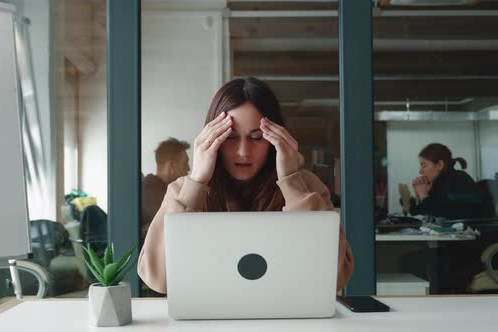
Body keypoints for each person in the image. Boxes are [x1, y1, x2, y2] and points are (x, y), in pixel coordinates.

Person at [138, 77, 354, 294]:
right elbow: (158, 279)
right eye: (231, 138)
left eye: (257, 138)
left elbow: (336, 277)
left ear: (275, 140)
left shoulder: (307, 186)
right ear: (212, 139)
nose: (243, 152)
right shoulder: (182, 190)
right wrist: (197, 182)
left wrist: (291, 182)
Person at [410, 143, 487, 219]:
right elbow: (419, 213)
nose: (420, 171)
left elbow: (442, 215)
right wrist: (419, 195)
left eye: (424, 166)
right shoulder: (438, 182)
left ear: (440, 165)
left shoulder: (457, 179)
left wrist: (424, 195)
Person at [142, 138, 190, 243]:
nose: (188, 169)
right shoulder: (151, 193)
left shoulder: (159, 189)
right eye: (185, 163)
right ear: (172, 165)